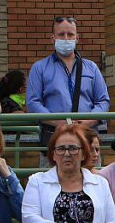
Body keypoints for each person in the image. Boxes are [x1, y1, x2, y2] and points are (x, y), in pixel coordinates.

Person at [26, 16, 109, 153]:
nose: (66, 38)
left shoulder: (92, 68)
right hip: (54, 139)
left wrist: (88, 120)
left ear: (77, 38)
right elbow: (33, 103)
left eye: (70, 34)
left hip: (87, 139)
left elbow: (103, 101)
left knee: (89, 174)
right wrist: (57, 122)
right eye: (61, 34)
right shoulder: (39, 68)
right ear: (52, 38)